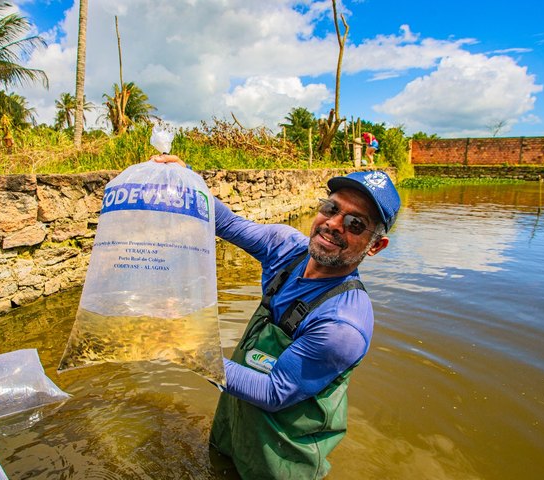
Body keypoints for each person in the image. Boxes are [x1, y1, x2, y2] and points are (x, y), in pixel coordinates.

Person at [154, 155, 400, 479]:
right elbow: (226, 223)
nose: (334, 224)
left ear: (375, 246)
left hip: (283, 449)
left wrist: (188, 345)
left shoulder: (343, 325)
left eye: (356, 224)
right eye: (331, 208)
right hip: (236, 418)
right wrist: (186, 182)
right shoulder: (285, 248)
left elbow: (273, 393)